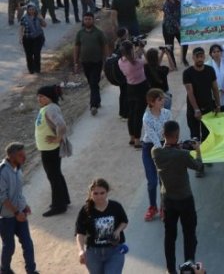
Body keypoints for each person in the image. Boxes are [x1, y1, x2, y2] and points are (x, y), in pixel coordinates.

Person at [151, 120, 204, 274]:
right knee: (189, 234)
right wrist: (198, 150)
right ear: (178, 135)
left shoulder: (156, 152)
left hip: (168, 200)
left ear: (163, 134)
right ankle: (189, 267)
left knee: (170, 236)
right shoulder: (183, 154)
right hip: (185, 199)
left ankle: (170, 269)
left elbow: (165, 150)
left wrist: (176, 146)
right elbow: (199, 166)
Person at [75, 178, 128, 274]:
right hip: (93, 254)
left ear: (107, 192)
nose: (99, 196)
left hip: (115, 251)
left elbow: (124, 221)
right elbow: (80, 233)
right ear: (91, 193)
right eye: (95, 193)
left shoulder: (116, 206)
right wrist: (81, 251)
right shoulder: (85, 210)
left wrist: (118, 231)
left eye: (102, 193)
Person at [0, 143, 39, 274]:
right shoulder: (2, 171)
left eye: (24, 154)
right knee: (9, 246)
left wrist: (24, 205)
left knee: (27, 244)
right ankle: (4, 270)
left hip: (20, 213)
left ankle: (31, 271)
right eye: (20, 155)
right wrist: (16, 212)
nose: (24, 157)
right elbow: (2, 197)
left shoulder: (18, 168)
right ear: (11, 156)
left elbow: (18, 192)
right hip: (6, 218)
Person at [34, 84, 71, 218]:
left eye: (42, 96)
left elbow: (61, 125)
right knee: (56, 175)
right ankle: (64, 200)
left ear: (49, 97)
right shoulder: (47, 108)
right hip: (47, 149)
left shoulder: (50, 109)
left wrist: (57, 138)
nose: (39, 99)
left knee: (53, 177)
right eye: (38, 96)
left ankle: (59, 206)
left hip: (50, 150)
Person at [182, 48, 220, 173]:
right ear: (192, 57)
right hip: (193, 111)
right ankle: (198, 166)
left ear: (204, 57)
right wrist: (196, 109)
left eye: (201, 56)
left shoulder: (210, 70)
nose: (199, 59)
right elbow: (190, 92)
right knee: (195, 138)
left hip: (208, 109)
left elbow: (215, 88)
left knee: (206, 136)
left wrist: (218, 104)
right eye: (197, 56)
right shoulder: (187, 73)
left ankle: (206, 157)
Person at [141, 89, 172, 222]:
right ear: (151, 102)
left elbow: (170, 130)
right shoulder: (146, 118)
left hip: (163, 145)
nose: (163, 101)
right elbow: (153, 137)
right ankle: (152, 207)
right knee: (152, 181)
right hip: (150, 148)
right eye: (160, 99)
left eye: (163, 99)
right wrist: (163, 151)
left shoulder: (167, 113)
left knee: (163, 181)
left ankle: (163, 207)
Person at [73, 12, 108, 115]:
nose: (87, 21)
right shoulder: (80, 33)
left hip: (97, 62)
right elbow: (76, 48)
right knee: (92, 83)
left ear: (93, 20)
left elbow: (105, 46)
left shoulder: (99, 33)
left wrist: (106, 59)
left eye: (89, 19)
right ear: (83, 21)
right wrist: (75, 62)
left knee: (93, 83)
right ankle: (97, 100)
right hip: (85, 62)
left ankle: (93, 105)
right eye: (86, 19)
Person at [118, 41, 149, 148]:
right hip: (141, 88)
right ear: (131, 50)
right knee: (138, 115)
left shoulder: (120, 62)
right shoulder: (137, 62)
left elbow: (132, 57)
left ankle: (132, 138)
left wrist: (137, 50)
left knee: (131, 114)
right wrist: (142, 49)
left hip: (130, 88)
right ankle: (137, 140)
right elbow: (147, 60)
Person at [162, 0, 188, 68]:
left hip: (178, 27)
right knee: (170, 47)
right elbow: (170, 17)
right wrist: (178, 25)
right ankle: (173, 64)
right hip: (168, 28)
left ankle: (183, 58)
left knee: (185, 43)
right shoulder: (165, 5)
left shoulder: (178, 1)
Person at [19, 3, 46, 74]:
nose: (31, 11)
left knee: (36, 53)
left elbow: (44, 25)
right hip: (27, 38)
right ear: (27, 10)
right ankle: (31, 69)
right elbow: (21, 28)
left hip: (38, 38)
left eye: (33, 9)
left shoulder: (38, 17)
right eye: (30, 9)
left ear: (35, 10)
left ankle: (37, 69)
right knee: (29, 54)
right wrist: (20, 37)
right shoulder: (24, 18)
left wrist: (41, 18)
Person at [205, 45, 224, 111]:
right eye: (214, 52)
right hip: (214, 94)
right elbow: (207, 81)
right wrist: (219, 89)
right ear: (211, 54)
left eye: (218, 51)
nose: (216, 53)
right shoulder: (207, 65)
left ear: (221, 52)